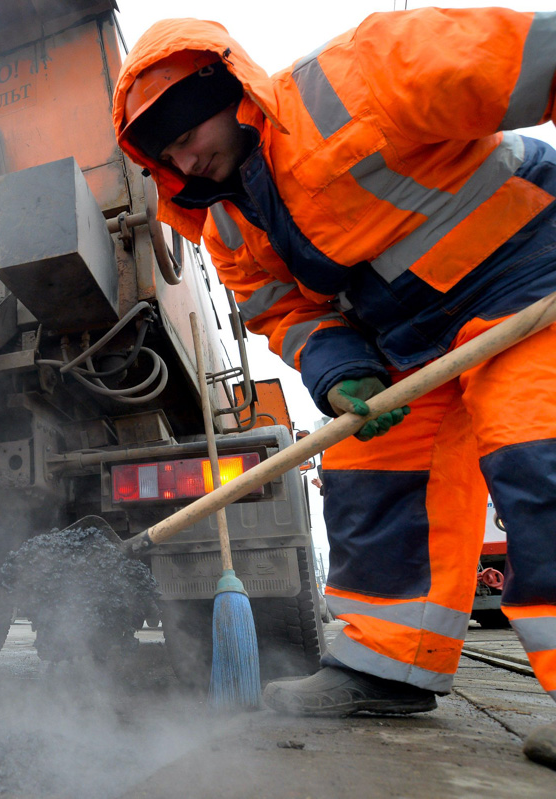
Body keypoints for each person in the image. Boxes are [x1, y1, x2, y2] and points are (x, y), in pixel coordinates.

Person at [112, 7, 556, 768]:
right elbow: (282, 309)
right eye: (169, 157)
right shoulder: (222, 225)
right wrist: (338, 368)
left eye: (190, 137)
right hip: (406, 344)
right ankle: (387, 667)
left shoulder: (355, 80)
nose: (187, 164)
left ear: (229, 94)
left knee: (535, 451)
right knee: (368, 473)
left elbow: (524, 57)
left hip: (523, 281)